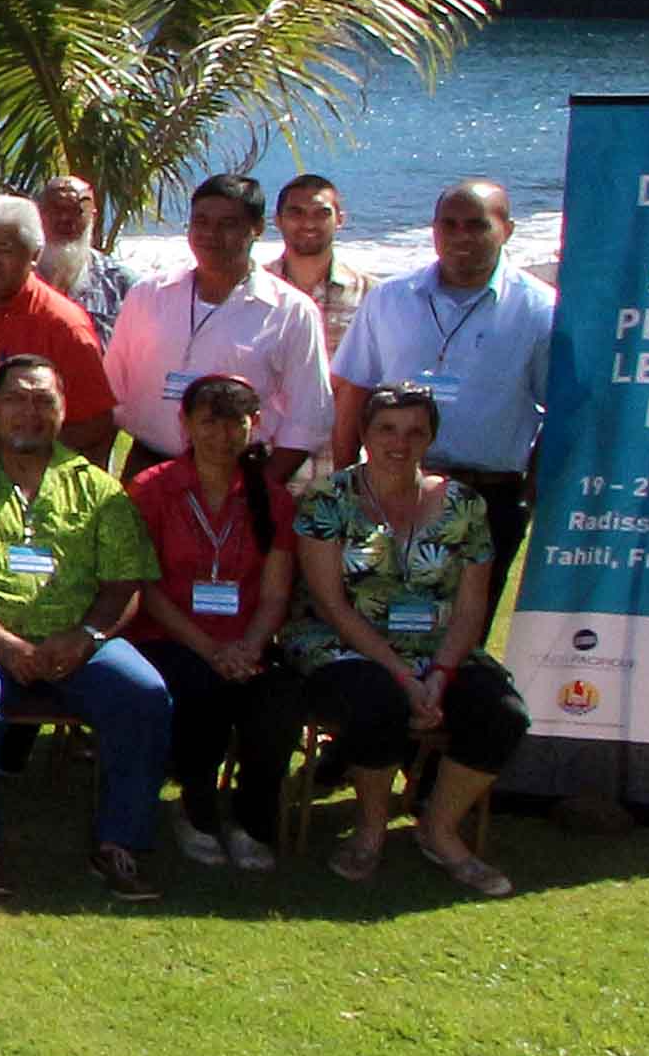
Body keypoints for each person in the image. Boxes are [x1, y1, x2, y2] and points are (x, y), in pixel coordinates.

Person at [0, 354, 174, 902]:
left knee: (143, 693)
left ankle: (120, 844)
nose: (29, 412)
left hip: (74, 641)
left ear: (64, 410)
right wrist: (1, 642)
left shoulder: (97, 488)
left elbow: (125, 583)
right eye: (16, 399)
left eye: (44, 400)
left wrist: (86, 637)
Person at [291, 382, 527, 897]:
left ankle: (439, 829)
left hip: (438, 649)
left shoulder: (465, 505)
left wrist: (439, 674)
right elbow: (331, 606)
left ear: (432, 438)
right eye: (387, 429)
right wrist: (403, 676)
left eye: (415, 432)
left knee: (503, 713)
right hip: (344, 644)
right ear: (364, 434)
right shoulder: (328, 499)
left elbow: (471, 606)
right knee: (377, 703)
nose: (400, 443)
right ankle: (370, 830)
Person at [332, 180, 557, 569]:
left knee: (473, 609)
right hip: (392, 488)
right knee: (378, 603)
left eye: (476, 225)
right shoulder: (390, 298)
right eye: (448, 224)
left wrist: (530, 494)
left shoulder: (540, 310)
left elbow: (560, 411)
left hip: (490, 497)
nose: (460, 236)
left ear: (507, 230)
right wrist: (346, 484)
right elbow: (355, 391)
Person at [127, 374, 301, 874]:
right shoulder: (152, 489)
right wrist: (210, 649)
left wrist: (249, 647)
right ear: (184, 423)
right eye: (209, 423)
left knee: (279, 700)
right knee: (201, 686)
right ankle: (196, 807)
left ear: (255, 425)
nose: (222, 436)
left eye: (235, 424)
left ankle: (252, 818)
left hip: (247, 643)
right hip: (169, 636)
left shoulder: (274, 499)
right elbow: (145, 588)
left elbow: (275, 593)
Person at [104, 175, 334, 475]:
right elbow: (111, 391)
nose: (211, 234)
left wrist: (259, 490)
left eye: (227, 224)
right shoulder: (148, 295)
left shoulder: (291, 312)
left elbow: (308, 419)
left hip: (240, 473)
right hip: (148, 467)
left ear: (257, 228)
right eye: (201, 222)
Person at [0, 196, 117, 461]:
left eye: (4, 250)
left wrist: (22, 458)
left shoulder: (63, 324)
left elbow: (96, 424)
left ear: (34, 255)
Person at [271, 173, 370, 353]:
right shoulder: (254, 290)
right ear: (277, 220)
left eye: (321, 213)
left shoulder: (368, 294)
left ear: (340, 219)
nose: (309, 223)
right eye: (296, 213)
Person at [34, 174, 137, 326]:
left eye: (77, 211)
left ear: (93, 217)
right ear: (38, 214)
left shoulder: (121, 285)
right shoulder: (16, 279)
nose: (65, 218)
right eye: (56, 209)